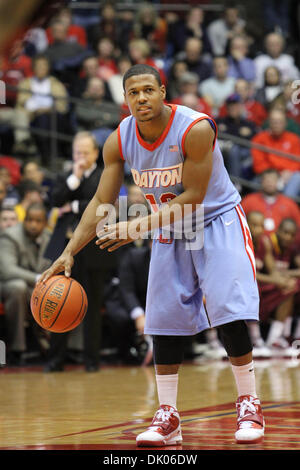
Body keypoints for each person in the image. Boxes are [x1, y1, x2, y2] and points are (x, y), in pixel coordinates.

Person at [38, 64, 265, 446]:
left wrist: (136, 226)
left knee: (229, 311)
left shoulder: (196, 129)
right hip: (169, 226)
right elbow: (101, 201)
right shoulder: (120, 139)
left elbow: (193, 198)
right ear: (125, 99)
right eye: (133, 93)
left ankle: (249, 402)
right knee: (163, 320)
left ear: (162, 92)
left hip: (215, 219)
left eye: (147, 90)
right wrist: (68, 252)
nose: (141, 99)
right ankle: (168, 416)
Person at [43, 131, 118, 372]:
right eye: (77, 153)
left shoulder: (103, 175)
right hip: (65, 249)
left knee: (92, 307)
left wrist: (73, 205)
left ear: (96, 153)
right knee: (57, 300)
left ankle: (91, 361)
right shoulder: (68, 176)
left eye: (85, 152)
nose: (81, 157)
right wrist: (73, 179)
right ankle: (55, 360)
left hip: (93, 251)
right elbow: (54, 200)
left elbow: (103, 205)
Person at [0, 203, 51, 365]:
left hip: (38, 288)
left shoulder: (51, 238)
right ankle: (17, 349)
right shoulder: (10, 236)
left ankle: (55, 347)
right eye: (29, 220)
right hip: (8, 286)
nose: (33, 224)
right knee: (18, 287)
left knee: (64, 291)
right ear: (24, 220)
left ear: (45, 223)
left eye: (38, 221)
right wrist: (38, 279)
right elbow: (8, 270)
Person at [247, 212, 300, 355]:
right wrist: (277, 280)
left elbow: (273, 271)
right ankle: (255, 339)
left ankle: (275, 340)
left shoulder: (264, 243)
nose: (258, 229)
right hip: (247, 289)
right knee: (252, 286)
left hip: (263, 288)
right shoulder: (241, 242)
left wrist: (283, 281)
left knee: (292, 287)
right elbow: (247, 274)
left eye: (261, 226)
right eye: (254, 225)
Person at [251, 109, 300, 198]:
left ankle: (285, 207)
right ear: (269, 123)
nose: (277, 124)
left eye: (280, 121)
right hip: (267, 175)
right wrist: (274, 175)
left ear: (285, 123)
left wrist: (289, 172)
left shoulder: (294, 139)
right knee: (255, 181)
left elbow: (297, 160)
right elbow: (258, 164)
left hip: (288, 175)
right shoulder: (259, 139)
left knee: (297, 177)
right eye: (274, 121)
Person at [242, 168, 300, 233]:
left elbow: (298, 227)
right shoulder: (249, 200)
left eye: (273, 180)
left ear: (279, 182)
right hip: (253, 241)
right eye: (267, 180)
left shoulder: (290, 204)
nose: (269, 183)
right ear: (261, 182)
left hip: (280, 242)